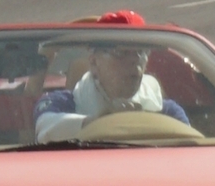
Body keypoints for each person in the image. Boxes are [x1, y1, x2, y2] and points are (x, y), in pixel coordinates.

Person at [34, 44, 189, 140]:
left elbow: (191, 152)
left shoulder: (168, 111)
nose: (135, 60)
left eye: (141, 52)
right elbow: (44, 129)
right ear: (94, 63)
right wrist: (101, 122)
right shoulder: (63, 104)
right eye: (121, 53)